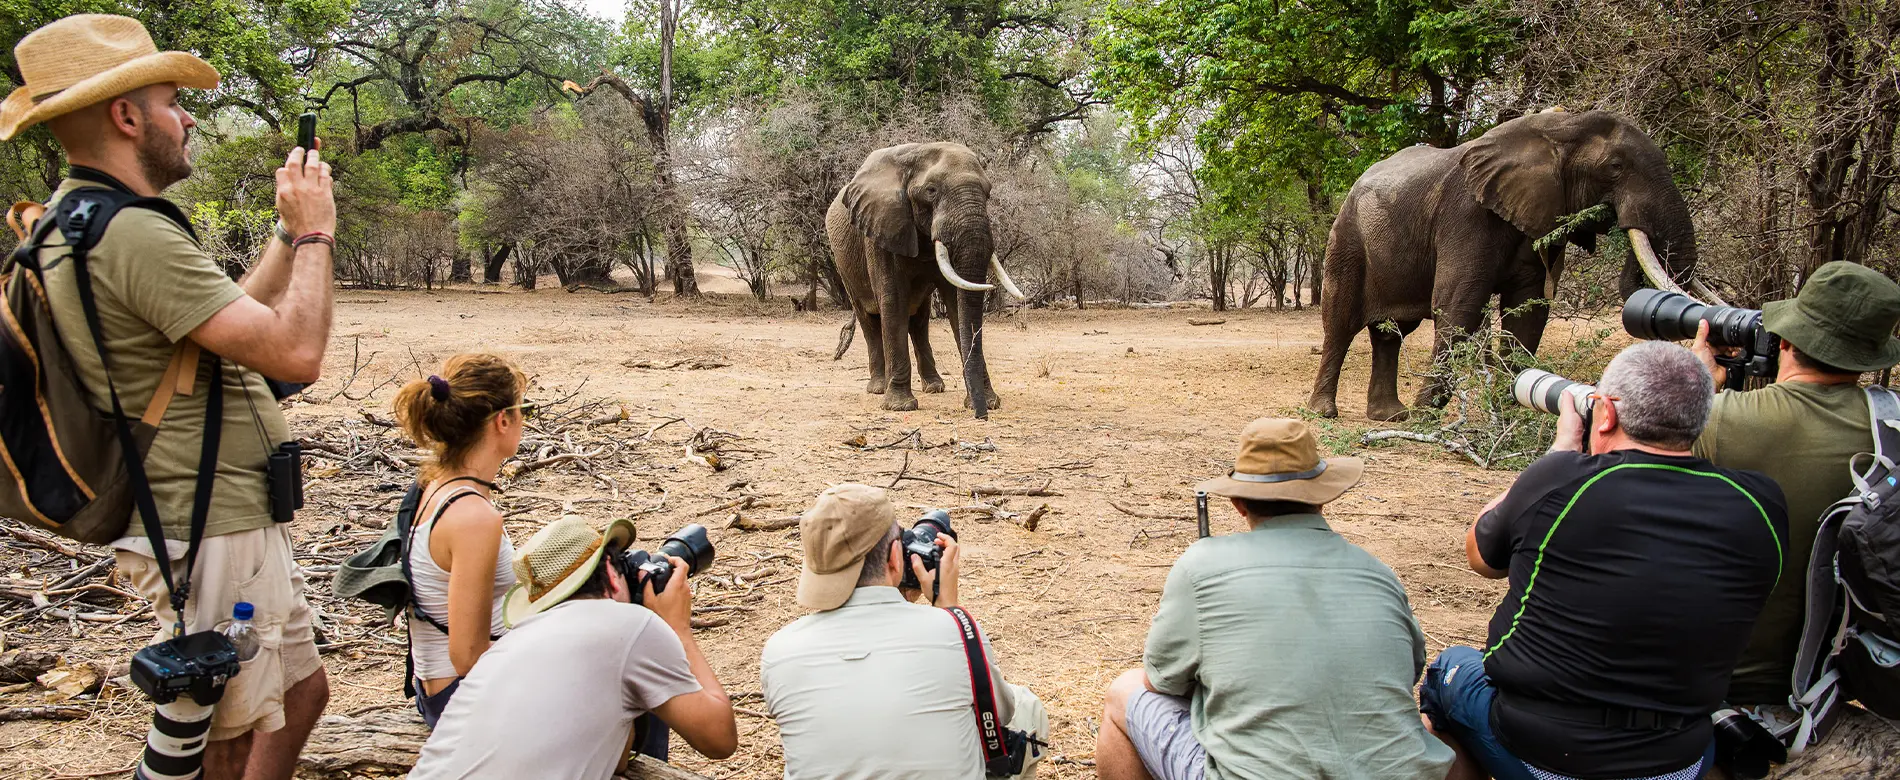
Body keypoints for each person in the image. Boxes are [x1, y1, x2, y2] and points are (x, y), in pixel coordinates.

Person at [0, 15, 336, 780]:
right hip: (204, 519)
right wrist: (317, 236)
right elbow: (296, 352)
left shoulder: (80, 222)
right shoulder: (129, 235)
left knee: (301, 692)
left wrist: (286, 236)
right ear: (126, 116)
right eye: (171, 102)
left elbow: (226, 330)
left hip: (222, 513)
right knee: (229, 729)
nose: (186, 118)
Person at [1424, 342, 1787, 780]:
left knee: (1450, 667)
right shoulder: (1761, 502)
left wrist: (1559, 454)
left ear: (1607, 413)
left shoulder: (1561, 480)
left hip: (1539, 749)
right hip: (1679, 756)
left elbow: (1481, 557)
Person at [1095, 418, 1453, 780]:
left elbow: (1161, 680)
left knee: (1123, 692)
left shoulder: (1201, 566)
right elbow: (1409, 670)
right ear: (1323, 497)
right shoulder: (1379, 573)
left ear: (1237, 503)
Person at [1688, 261, 1900, 705]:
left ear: (1786, 340)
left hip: (1725, 681)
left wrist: (1696, 387)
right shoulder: (1893, 429)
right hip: (1842, 671)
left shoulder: (1721, 419)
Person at [409, 516, 737, 779]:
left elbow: (616, 761)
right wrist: (677, 630)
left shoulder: (509, 647)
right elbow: (720, 739)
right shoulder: (628, 625)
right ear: (610, 572)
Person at [761, 483, 1048, 779]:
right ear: (895, 556)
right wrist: (950, 609)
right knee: (1026, 705)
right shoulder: (956, 632)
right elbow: (1000, 713)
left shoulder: (778, 651)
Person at [390, 354, 531, 726]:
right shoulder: (473, 517)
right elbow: (468, 655)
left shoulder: (433, 486)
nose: (524, 420)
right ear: (503, 420)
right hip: (463, 701)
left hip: (438, 688)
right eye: (523, 410)